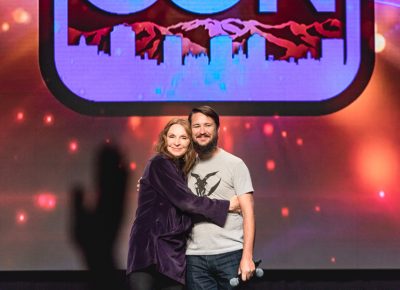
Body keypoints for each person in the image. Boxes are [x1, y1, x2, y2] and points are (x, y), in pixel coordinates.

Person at [126, 118, 240, 290]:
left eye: (183, 137)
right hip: (151, 248)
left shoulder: (183, 171)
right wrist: (227, 206)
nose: (177, 142)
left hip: (173, 253)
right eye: (172, 136)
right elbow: (186, 202)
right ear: (164, 139)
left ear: (190, 142)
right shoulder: (159, 163)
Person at [185, 106, 256, 290]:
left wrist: (247, 257)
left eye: (208, 125)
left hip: (231, 254)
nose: (202, 131)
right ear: (190, 130)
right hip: (194, 257)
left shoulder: (235, 164)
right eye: (197, 126)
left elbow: (248, 214)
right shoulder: (182, 167)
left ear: (217, 128)